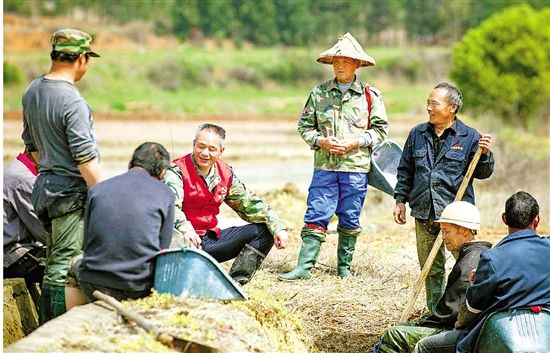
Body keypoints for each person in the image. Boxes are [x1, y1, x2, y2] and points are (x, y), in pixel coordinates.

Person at [278, 32, 388, 281]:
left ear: (358, 64)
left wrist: (354, 143)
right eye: (337, 61)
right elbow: (304, 127)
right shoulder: (319, 93)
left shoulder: (371, 96)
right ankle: (304, 268)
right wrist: (322, 142)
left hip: (356, 168)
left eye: (346, 60)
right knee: (316, 213)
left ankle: (344, 270)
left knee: (350, 216)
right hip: (325, 166)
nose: (340, 65)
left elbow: (380, 131)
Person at [21, 28, 102, 323]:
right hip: (69, 195)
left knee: (53, 258)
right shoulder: (73, 102)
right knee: (64, 266)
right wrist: (106, 195)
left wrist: (53, 166)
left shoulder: (33, 91)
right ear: (81, 58)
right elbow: (85, 159)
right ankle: (53, 331)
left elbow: (33, 150)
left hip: (44, 189)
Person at [393, 82, 494, 313]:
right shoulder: (417, 134)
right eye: (428, 103)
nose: (428, 108)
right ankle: (436, 315)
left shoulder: (470, 137)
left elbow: (483, 172)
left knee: (466, 267)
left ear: (452, 108)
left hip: (457, 217)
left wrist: (486, 154)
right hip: (424, 210)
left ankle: (463, 315)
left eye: (434, 104)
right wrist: (400, 199)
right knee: (431, 269)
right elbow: (405, 170)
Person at [415, 191, 550, 353]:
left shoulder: (492, 259)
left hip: (499, 334)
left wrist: (459, 322)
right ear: (537, 220)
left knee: (424, 346)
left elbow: (471, 309)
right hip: (544, 332)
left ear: (504, 219)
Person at [163, 123, 289, 285]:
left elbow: (249, 203)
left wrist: (278, 226)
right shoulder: (176, 171)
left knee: (265, 231)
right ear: (193, 144)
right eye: (200, 147)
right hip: (180, 241)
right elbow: (170, 207)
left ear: (221, 151)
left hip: (207, 241)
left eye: (211, 149)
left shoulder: (225, 173)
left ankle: (235, 284)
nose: (205, 153)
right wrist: (186, 229)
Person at [374, 201, 491, 353]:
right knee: (402, 328)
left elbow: (448, 315)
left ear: (464, 230)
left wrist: (423, 324)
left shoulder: (468, 264)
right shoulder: (478, 254)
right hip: (462, 329)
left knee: (394, 334)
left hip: (458, 333)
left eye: (446, 231)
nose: (443, 237)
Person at [75, 142, 175, 302]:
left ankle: (73, 322)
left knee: (70, 268)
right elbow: (163, 248)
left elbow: (86, 241)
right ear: (162, 173)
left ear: (130, 164)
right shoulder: (166, 194)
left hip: (93, 283)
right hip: (138, 286)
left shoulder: (97, 190)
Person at [3, 149, 48, 307]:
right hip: (10, 257)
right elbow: (45, 232)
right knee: (62, 266)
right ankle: (51, 318)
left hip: (16, 250)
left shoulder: (18, 170)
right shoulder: (23, 179)